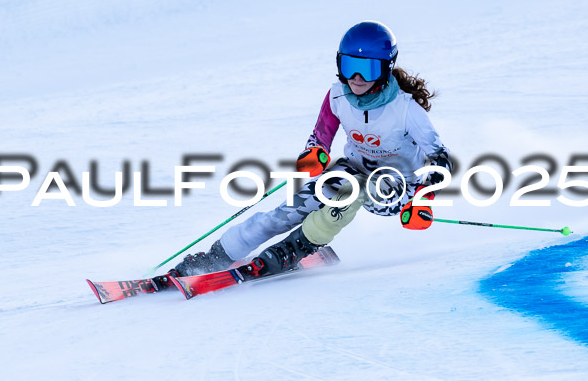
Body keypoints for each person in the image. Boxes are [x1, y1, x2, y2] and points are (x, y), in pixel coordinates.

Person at [170, 20, 452, 277]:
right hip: (353, 171)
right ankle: (217, 256)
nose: (356, 77)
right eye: (349, 65)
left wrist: (423, 199)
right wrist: (314, 154)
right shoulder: (338, 96)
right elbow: (320, 137)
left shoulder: (405, 109)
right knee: (287, 212)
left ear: (386, 68)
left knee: (350, 194)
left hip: (399, 188)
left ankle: (292, 250)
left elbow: (440, 160)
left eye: (367, 69)